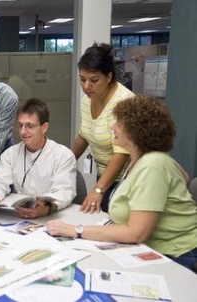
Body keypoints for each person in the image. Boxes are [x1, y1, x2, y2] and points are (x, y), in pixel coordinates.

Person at [47, 95, 197, 272]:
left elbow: (136, 233)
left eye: (118, 123)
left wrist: (75, 230)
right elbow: (185, 177)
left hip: (177, 254)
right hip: (152, 249)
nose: (113, 127)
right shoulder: (141, 159)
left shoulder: (153, 164)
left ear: (136, 130)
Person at [0, 98, 76, 219]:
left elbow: (64, 191)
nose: (23, 132)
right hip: (19, 217)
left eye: (29, 126)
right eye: (20, 125)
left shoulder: (63, 155)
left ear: (44, 127)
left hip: (51, 218)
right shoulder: (10, 154)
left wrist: (45, 209)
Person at [73, 42, 135, 213]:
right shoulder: (88, 99)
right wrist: (65, 162)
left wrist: (98, 190)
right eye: (82, 79)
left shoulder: (123, 102)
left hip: (126, 179)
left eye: (94, 80)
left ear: (108, 77)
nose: (86, 86)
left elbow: (121, 153)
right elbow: (84, 135)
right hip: (104, 175)